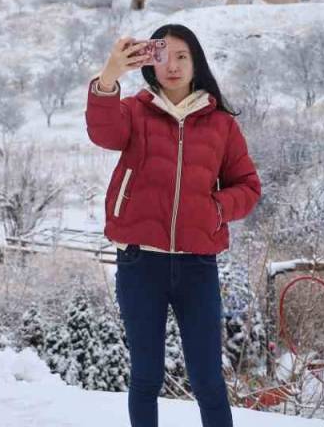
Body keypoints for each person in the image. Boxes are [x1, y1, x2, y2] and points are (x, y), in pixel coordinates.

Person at [86, 24, 261, 427]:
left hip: (197, 267)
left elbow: (249, 187)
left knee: (207, 379)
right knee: (146, 376)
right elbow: (103, 133)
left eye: (183, 55)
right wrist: (109, 74)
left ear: (196, 61)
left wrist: (215, 209)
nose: (173, 65)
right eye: (163, 55)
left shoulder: (221, 124)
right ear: (149, 62)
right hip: (139, 265)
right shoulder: (133, 110)